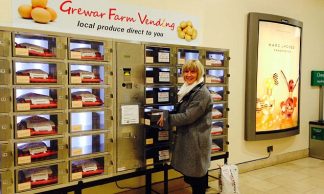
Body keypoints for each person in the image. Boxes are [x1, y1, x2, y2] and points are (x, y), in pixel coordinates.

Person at [157, 60, 212, 194]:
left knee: (198, 180)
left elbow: (188, 116)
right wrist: (165, 114)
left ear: (199, 73)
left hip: (196, 141)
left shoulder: (202, 93)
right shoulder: (188, 89)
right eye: (186, 71)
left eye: (193, 71)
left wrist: (167, 119)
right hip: (189, 139)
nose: (188, 74)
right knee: (194, 177)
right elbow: (181, 110)